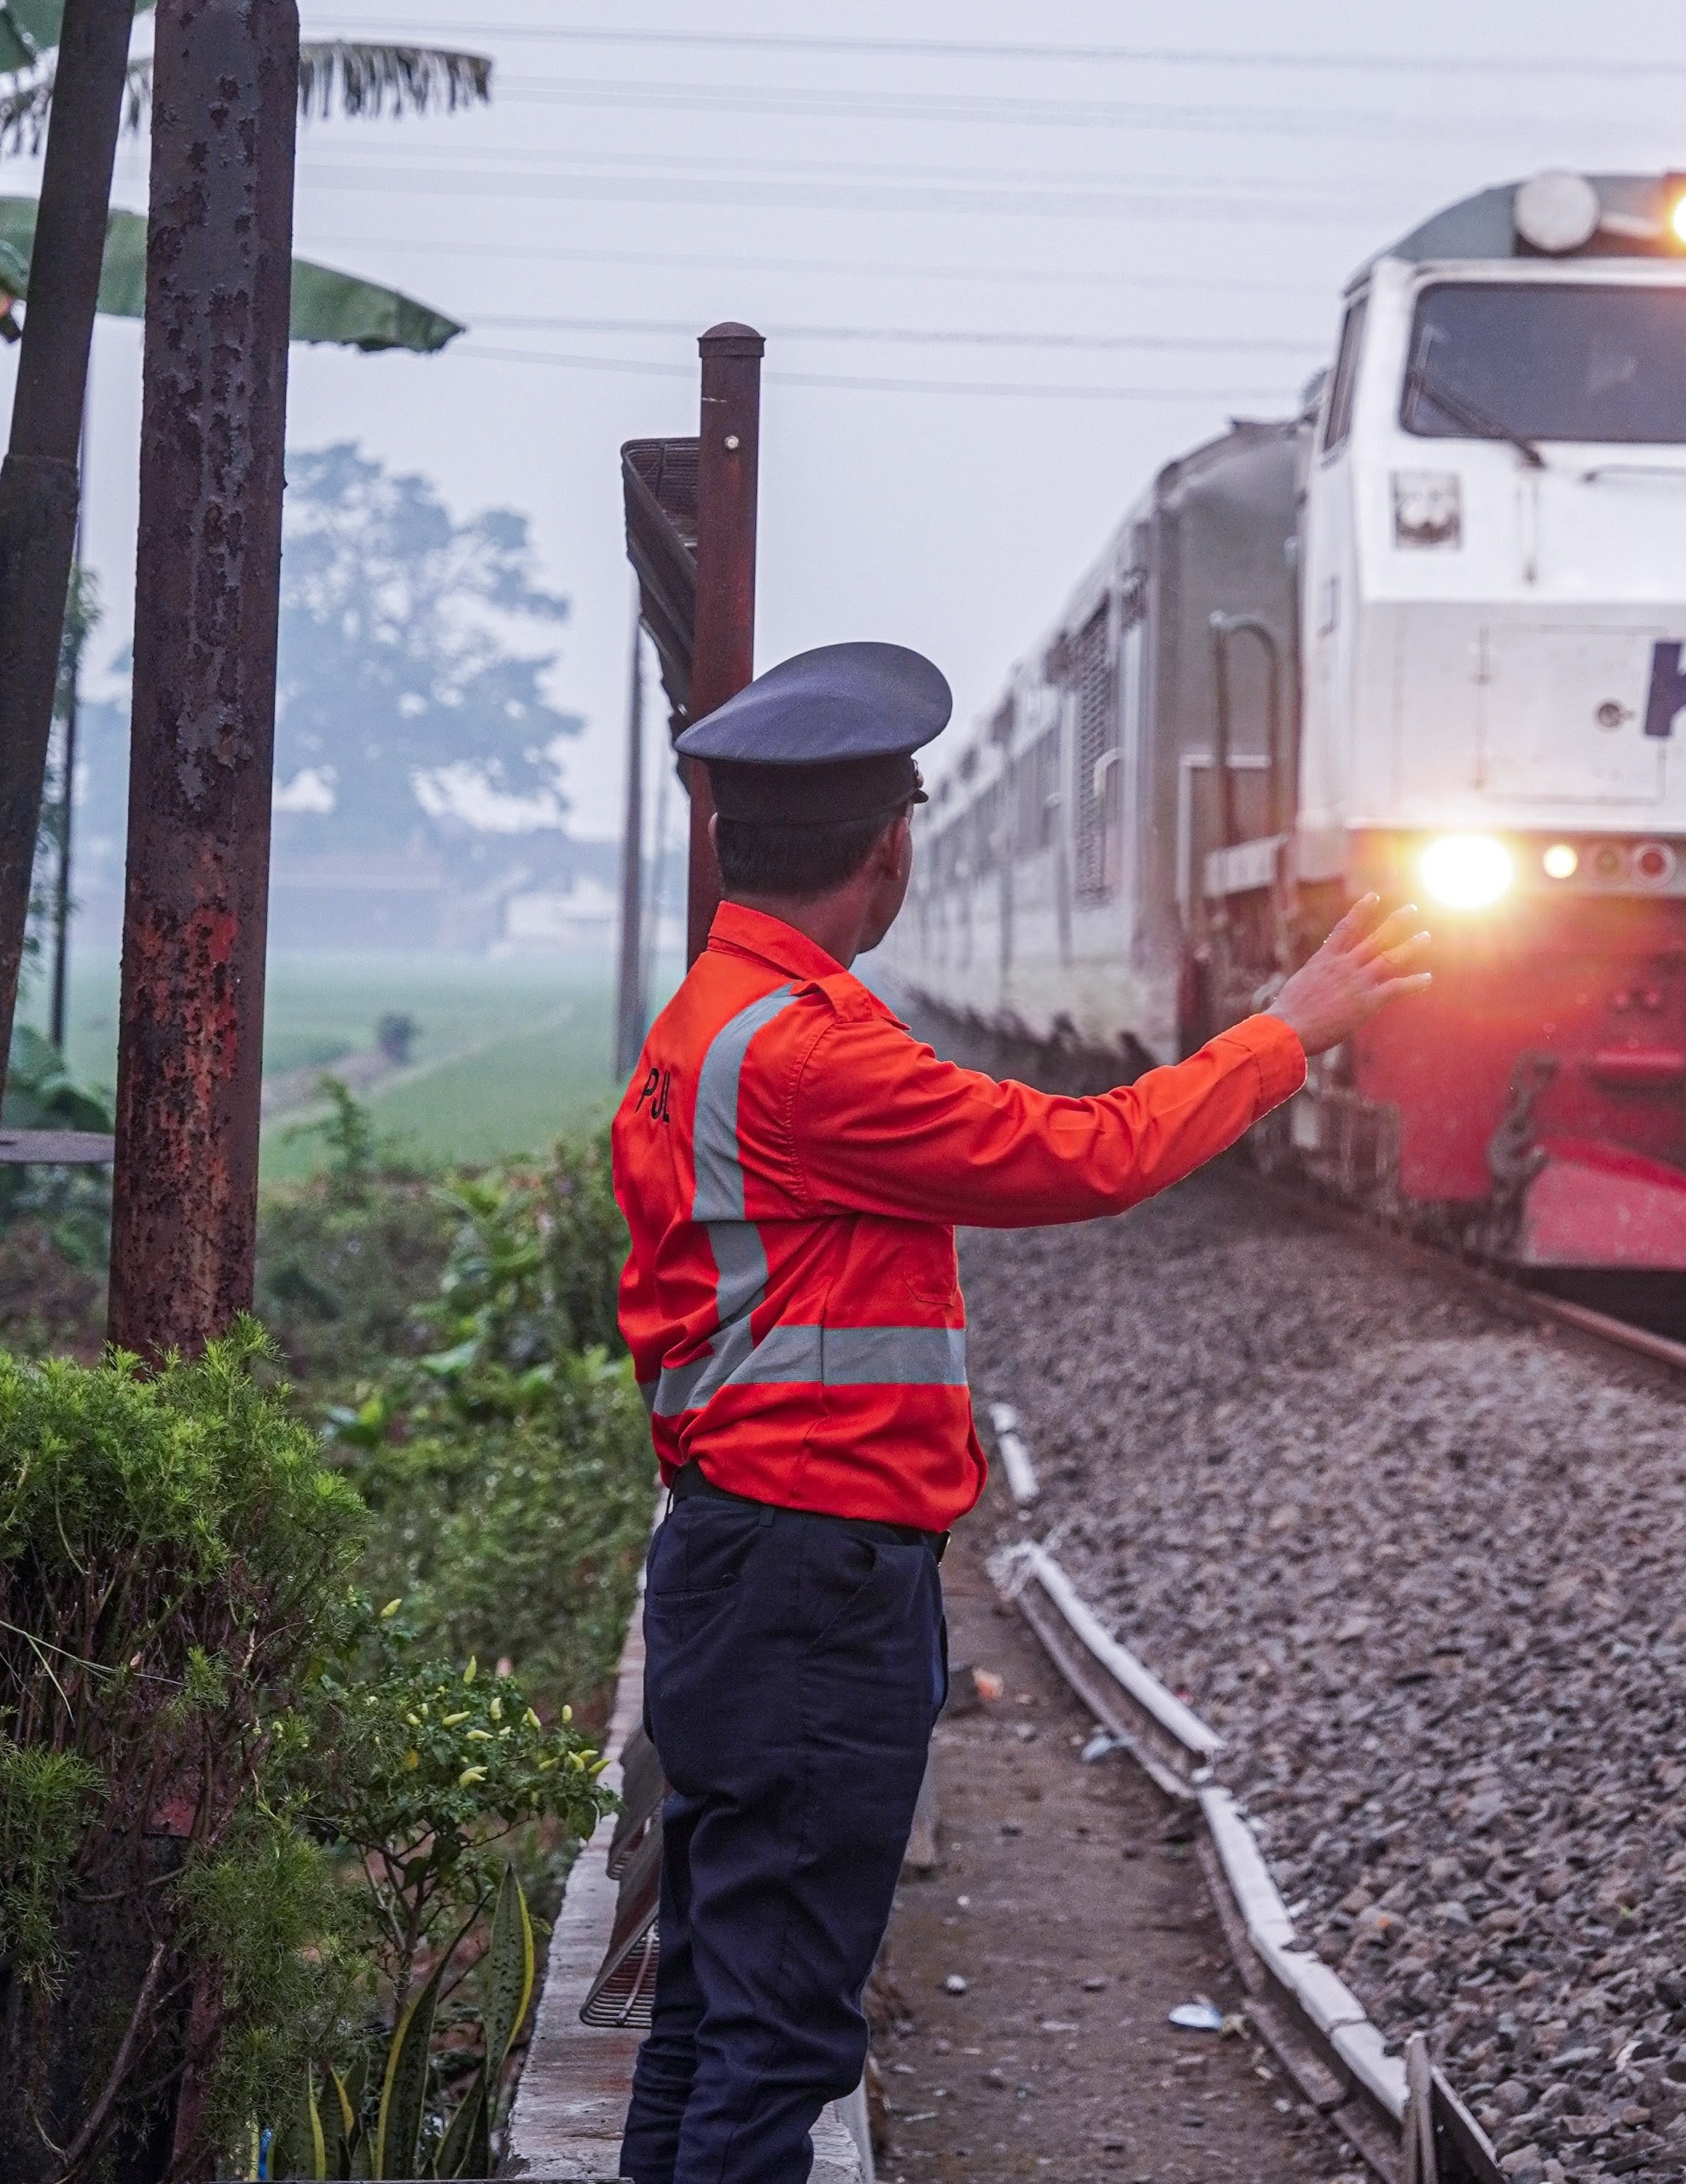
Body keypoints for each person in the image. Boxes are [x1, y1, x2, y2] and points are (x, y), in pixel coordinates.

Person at [611, 640, 1429, 2184]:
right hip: (809, 1580)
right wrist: (1289, 1027)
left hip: (736, 1557)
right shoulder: (812, 1054)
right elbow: (1089, 1154)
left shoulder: (704, 1021)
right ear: (889, 849)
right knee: (779, 2030)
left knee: (716, 1999)